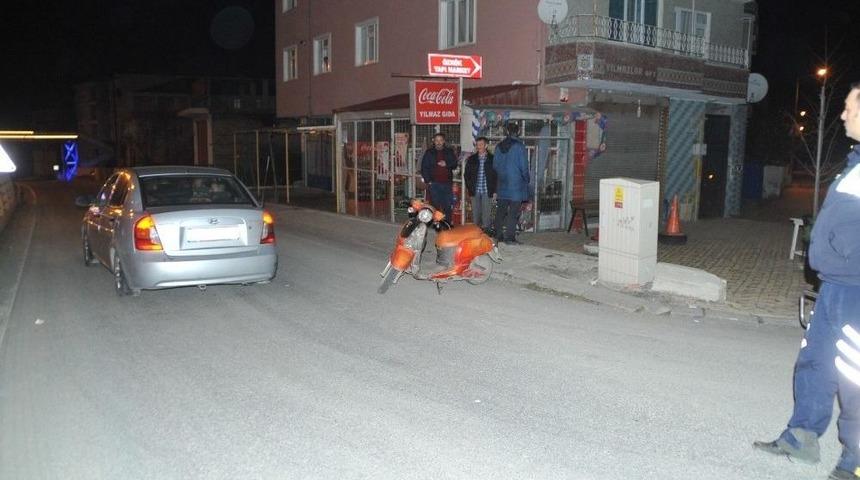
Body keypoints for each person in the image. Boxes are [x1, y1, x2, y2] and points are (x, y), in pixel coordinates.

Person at [753, 83, 860, 480]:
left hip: (856, 289)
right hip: (834, 285)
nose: (843, 115)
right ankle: (801, 437)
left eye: (850, 108)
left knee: (854, 374)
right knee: (815, 361)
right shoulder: (855, 163)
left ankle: (854, 460)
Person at [492, 122, 529, 244]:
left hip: (502, 183)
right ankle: (510, 237)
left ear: (506, 132)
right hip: (516, 185)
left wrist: (502, 175)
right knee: (513, 212)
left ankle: (497, 235)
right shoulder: (519, 146)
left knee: (501, 211)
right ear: (517, 132)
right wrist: (526, 178)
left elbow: (495, 166)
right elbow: (524, 166)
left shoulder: (498, 146)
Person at [421, 133, 458, 222]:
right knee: (435, 206)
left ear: (444, 141)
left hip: (447, 184)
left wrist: (446, 164)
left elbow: (455, 164)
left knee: (447, 205)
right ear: (434, 141)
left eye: (440, 140)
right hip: (434, 184)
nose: (438, 142)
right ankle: (436, 224)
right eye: (437, 140)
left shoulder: (449, 151)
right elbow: (424, 167)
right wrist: (428, 181)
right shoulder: (429, 152)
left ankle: (447, 224)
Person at [463, 136, 497, 233]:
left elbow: (496, 176)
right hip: (475, 190)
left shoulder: (492, 159)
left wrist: (495, 190)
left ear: (486, 145)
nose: (479, 147)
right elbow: (467, 175)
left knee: (487, 215)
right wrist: (470, 187)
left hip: (487, 190)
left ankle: (486, 234)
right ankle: (475, 234)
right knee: (475, 215)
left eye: (481, 144)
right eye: (477, 145)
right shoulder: (472, 159)